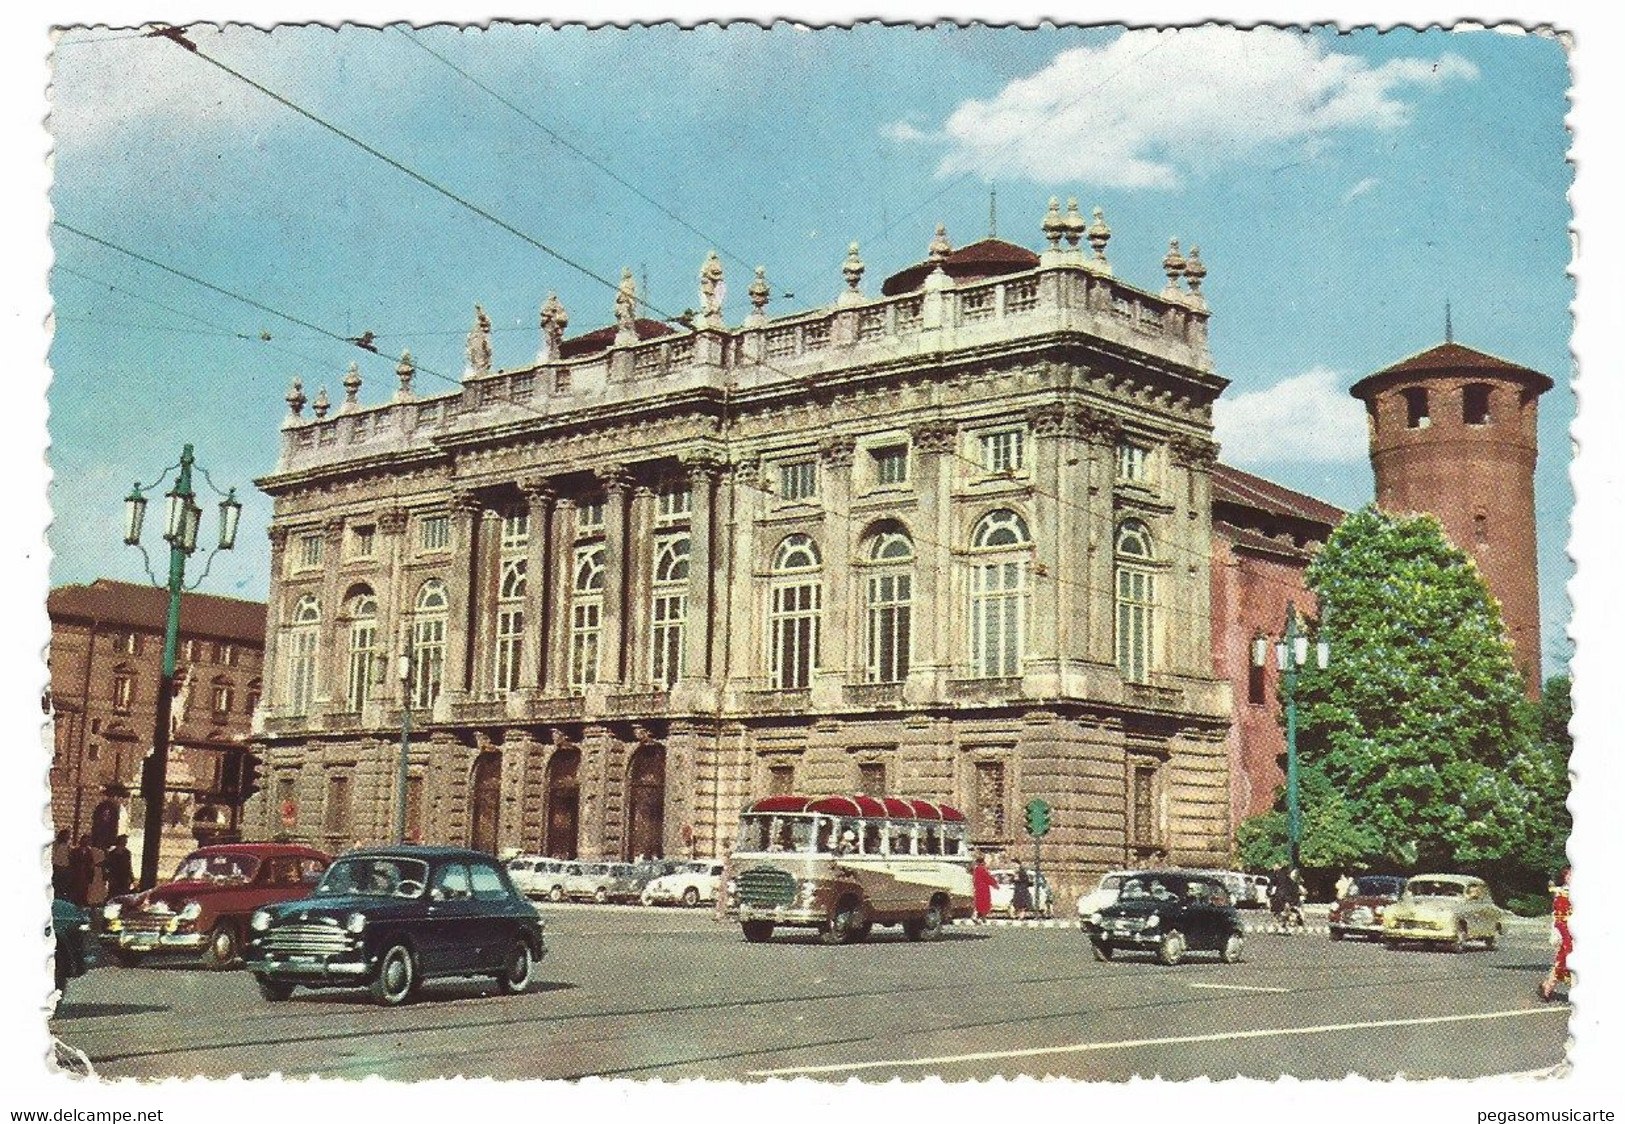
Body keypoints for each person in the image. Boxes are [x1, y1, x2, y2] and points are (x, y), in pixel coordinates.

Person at [1540, 868, 1572, 1001]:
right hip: (1566, 932)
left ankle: (1547, 986)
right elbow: (1559, 917)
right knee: (1565, 959)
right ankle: (1547, 987)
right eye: (1570, 875)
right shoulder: (1562, 893)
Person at [66, 836, 97, 907]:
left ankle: (83, 903)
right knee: (75, 889)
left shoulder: (90, 852)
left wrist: (91, 874)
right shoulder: (75, 851)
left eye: (87, 841)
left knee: (84, 889)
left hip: (86, 874)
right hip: (76, 874)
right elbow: (71, 862)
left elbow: (91, 863)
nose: (85, 843)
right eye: (84, 841)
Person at [101, 834, 134, 900]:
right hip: (114, 877)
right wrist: (108, 876)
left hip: (124, 877)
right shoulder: (112, 853)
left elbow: (128, 865)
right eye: (124, 841)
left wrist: (131, 877)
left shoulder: (127, 853)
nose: (125, 842)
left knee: (124, 895)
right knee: (114, 894)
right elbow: (108, 864)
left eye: (126, 841)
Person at [972, 854, 997, 924]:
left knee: (979, 903)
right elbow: (987, 878)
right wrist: (994, 884)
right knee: (984, 903)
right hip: (984, 888)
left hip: (977, 888)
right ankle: (982, 918)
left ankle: (980, 917)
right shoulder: (982, 869)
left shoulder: (976, 869)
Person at [51, 829, 71, 899]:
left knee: (62, 883)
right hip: (57, 866)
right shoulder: (56, 844)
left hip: (64, 866)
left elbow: (68, 855)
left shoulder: (67, 845)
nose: (68, 837)